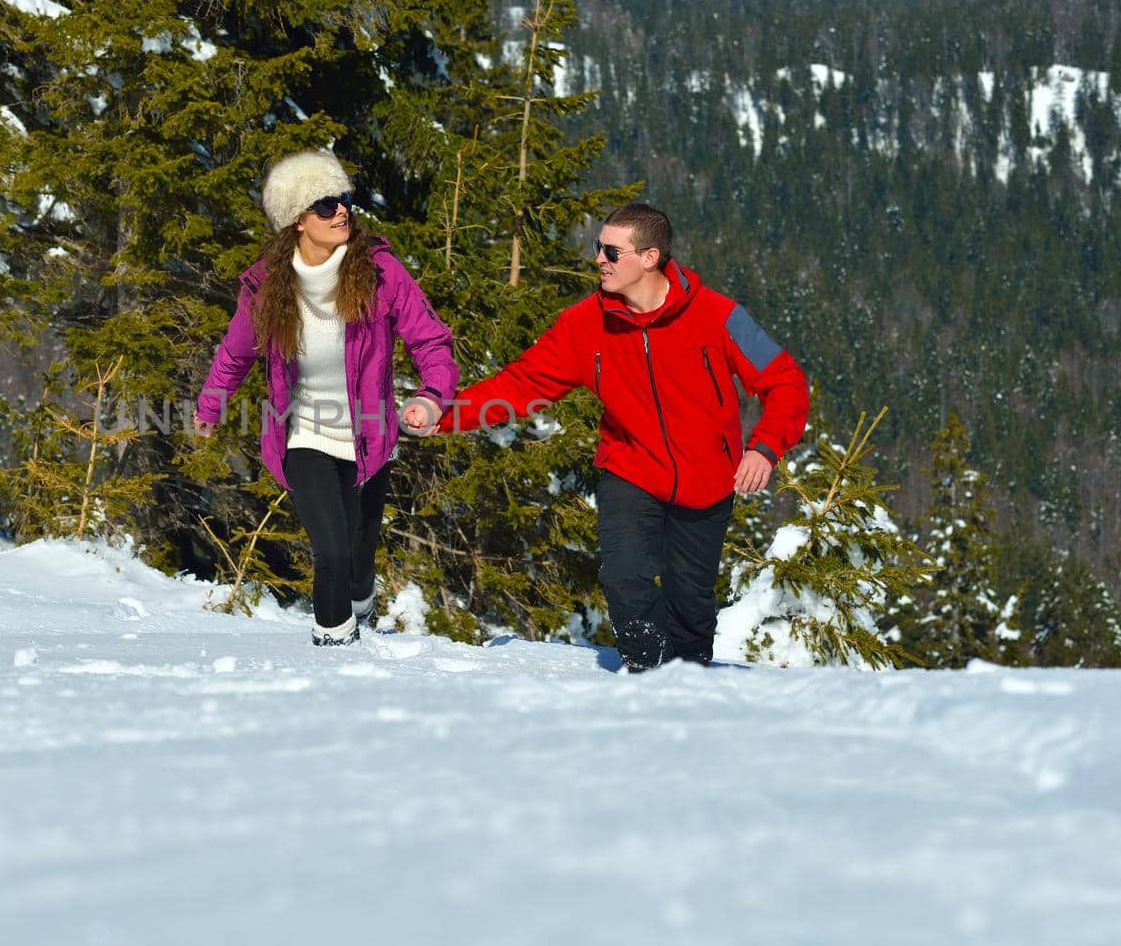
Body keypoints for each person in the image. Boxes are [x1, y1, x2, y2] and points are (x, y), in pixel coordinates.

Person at [437, 203, 808, 670]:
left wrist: (765, 447)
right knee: (625, 579)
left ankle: (687, 689)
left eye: (612, 250)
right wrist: (443, 413)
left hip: (709, 481)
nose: (599, 259)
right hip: (630, 470)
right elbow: (520, 386)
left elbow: (786, 381)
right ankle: (644, 671)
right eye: (599, 247)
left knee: (691, 609)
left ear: (650, 257)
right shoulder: (584, 324)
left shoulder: (719, 316)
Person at [194, 150, 458, 646]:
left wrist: (431, 395)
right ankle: (334, 648)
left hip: (369, 437)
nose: (341, 211)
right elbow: (235, 353)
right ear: (297, 221)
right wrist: (211, 405)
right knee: (331, 552)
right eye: (325, 205)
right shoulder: (269, 287)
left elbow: (431, 340)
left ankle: (360, 606)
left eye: (343, 200)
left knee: (359, 560)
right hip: (303, 435)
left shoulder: (380, 272)